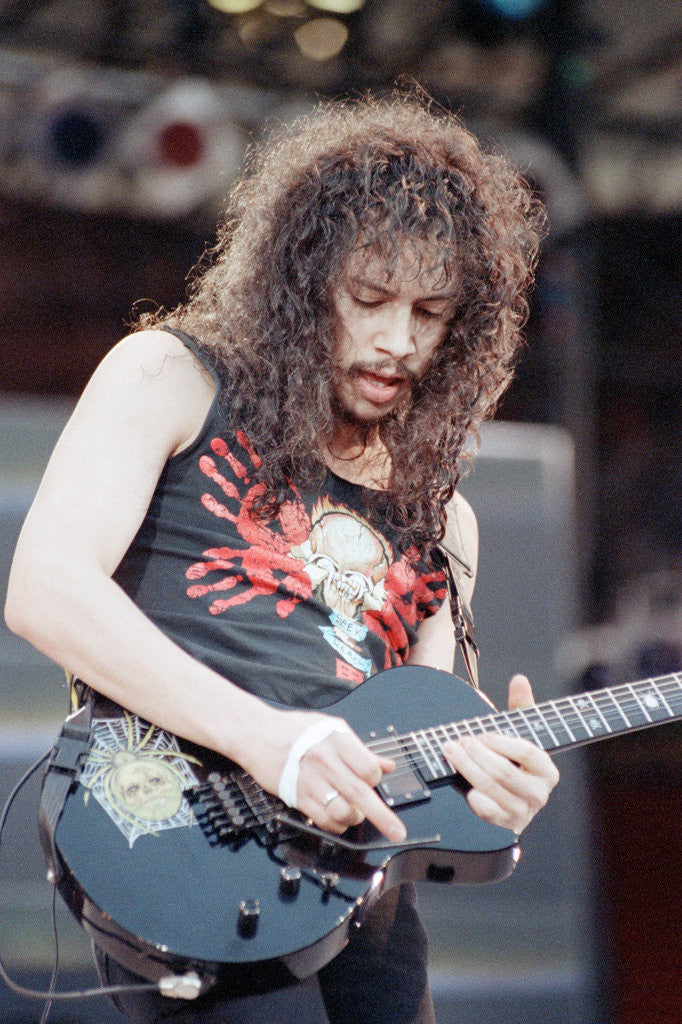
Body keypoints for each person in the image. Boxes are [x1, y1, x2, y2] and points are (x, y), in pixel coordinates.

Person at [5, 89, 560, 1024]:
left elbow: (419, 748)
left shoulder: (444, 517)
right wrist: (267, 738)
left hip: (359, 898)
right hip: (186, 826)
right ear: (303, 282)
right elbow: (46, 589)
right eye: (371, 299)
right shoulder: (169, 375)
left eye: (431, 313)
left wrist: (495, 795)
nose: (397, 340)